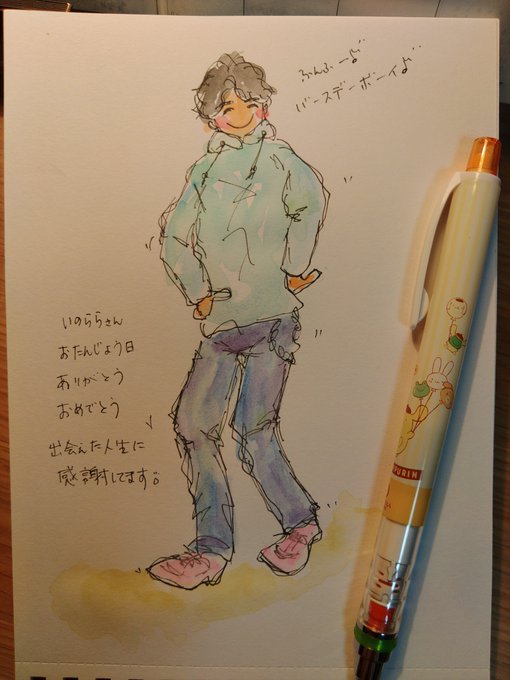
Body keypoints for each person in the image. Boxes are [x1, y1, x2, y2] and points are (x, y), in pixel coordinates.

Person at [147, 52, 329, 590]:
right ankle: (211, 549)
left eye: (248, 102)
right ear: (211, 116)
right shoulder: (203, 171)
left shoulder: (281, 159)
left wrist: (294, 266)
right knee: (192, 425)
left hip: (273, 317)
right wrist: (198, 292)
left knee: (254, 430)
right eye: (227, 106)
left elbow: (312, 205)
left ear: (263, 105)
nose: (240, 112)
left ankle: (299, 525)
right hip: (222, 324)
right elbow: (174, 236)